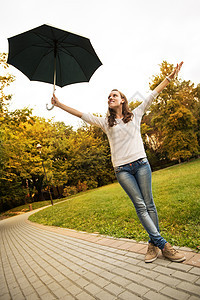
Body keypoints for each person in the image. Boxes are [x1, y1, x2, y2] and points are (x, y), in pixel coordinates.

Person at [51, 62, 186, 263]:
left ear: (122, 100)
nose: (110, 98)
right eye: (108, 96)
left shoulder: (136, 115)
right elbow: (81, 114)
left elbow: (152, 94)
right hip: (122, 170)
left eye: (114, 95)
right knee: (140, 206)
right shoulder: (106, 122)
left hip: (141, 164)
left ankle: (152, 244)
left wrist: (170, 77)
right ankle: (164, 245)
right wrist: (59, 104)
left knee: (149, 204)